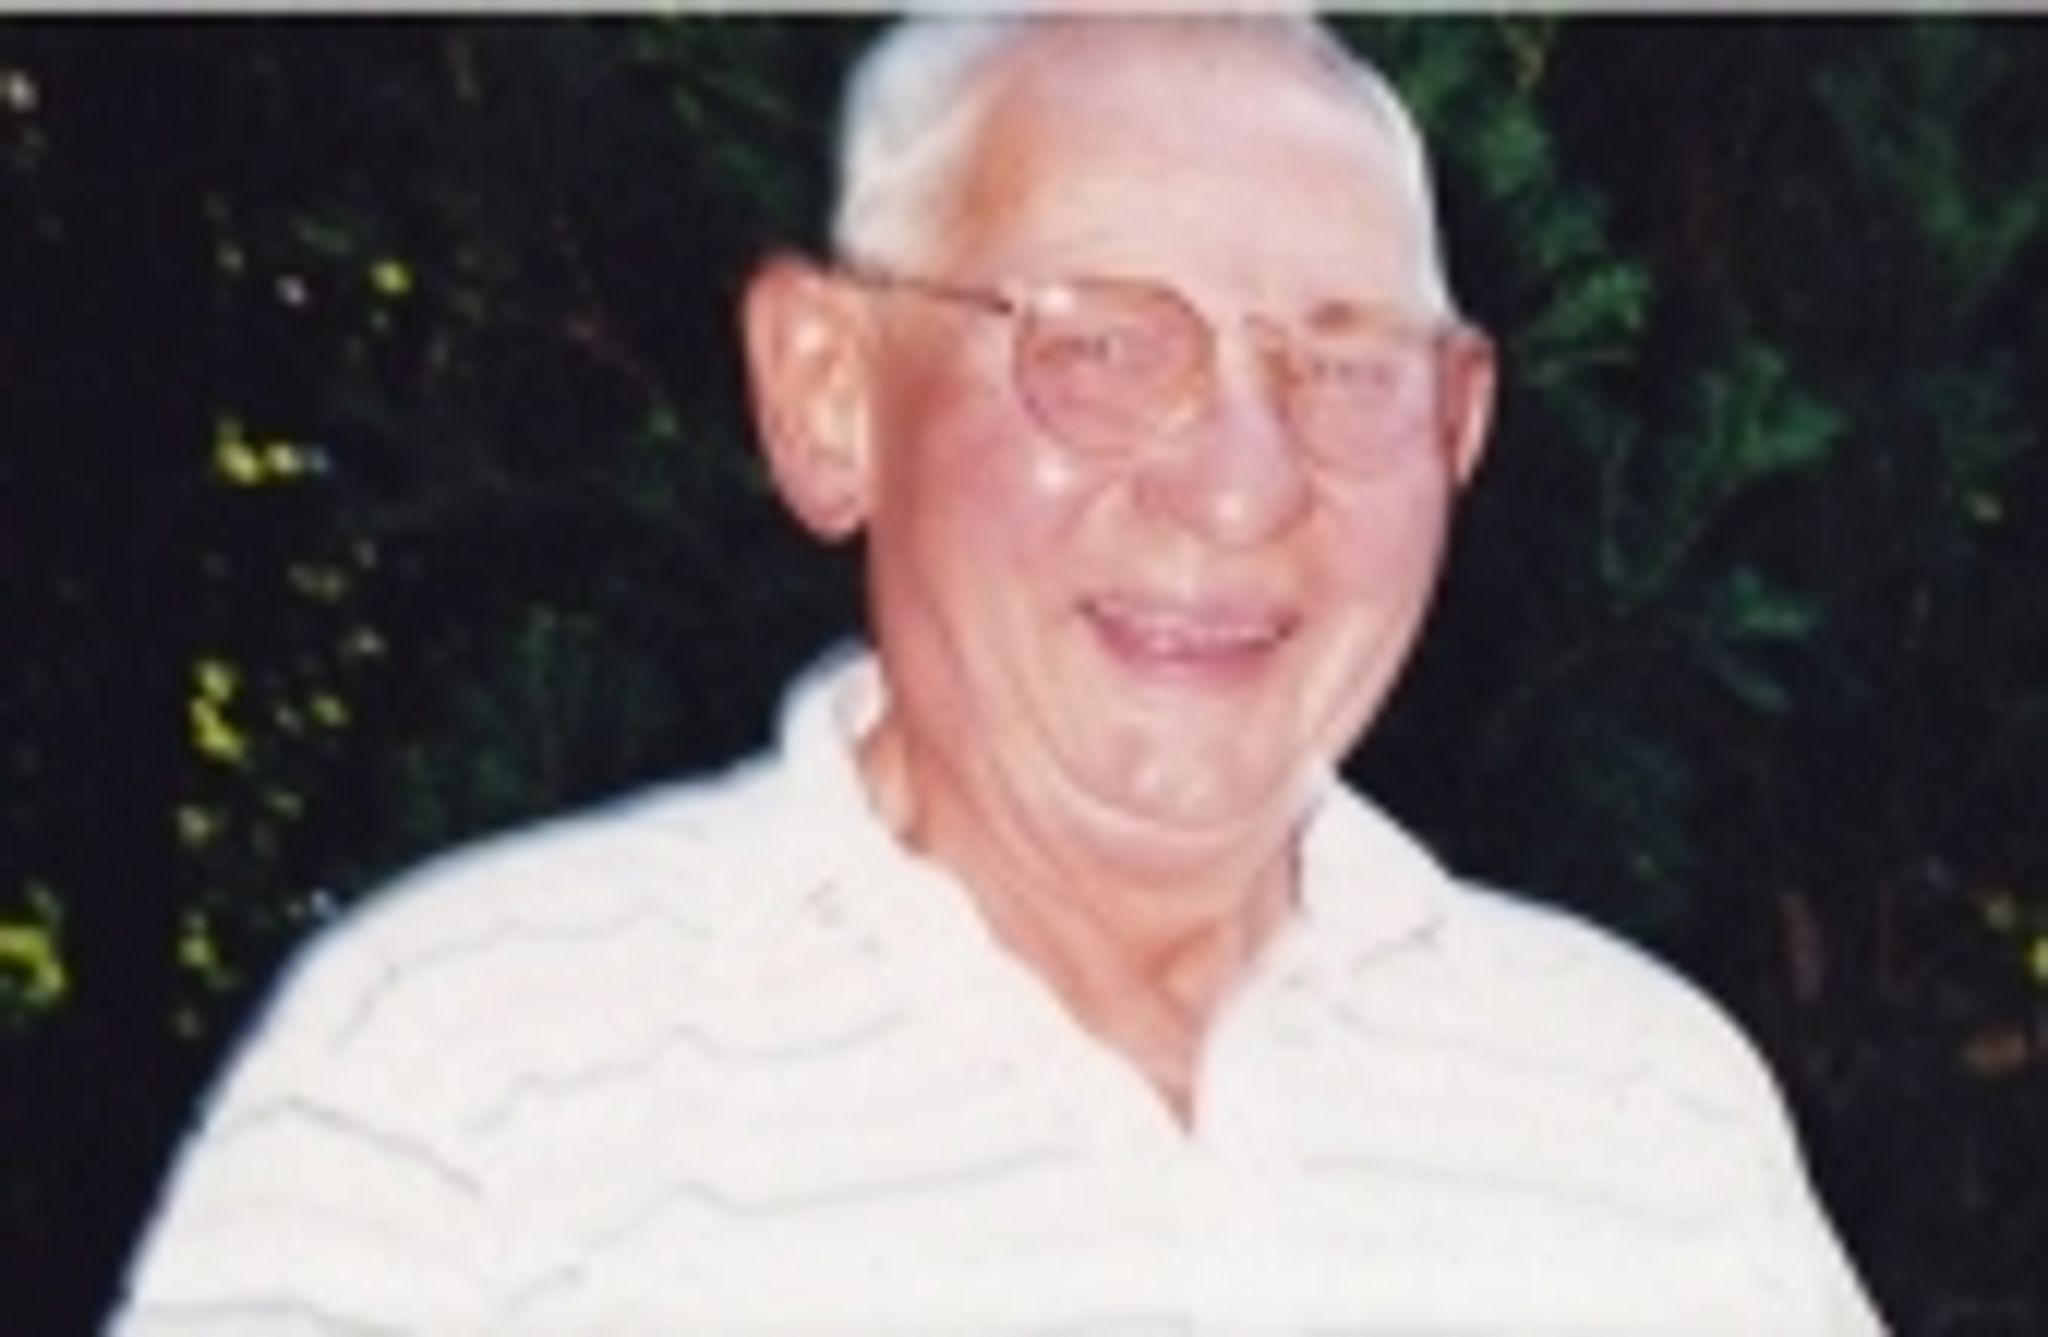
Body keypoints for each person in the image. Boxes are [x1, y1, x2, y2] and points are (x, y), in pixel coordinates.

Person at [113, 15, 1884, 1334]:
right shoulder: (473, 1089)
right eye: (1102, 346)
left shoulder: (1646, 1114)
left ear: (1459, 427)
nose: (1240, 484)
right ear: (828, 392)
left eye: (1346, 368)